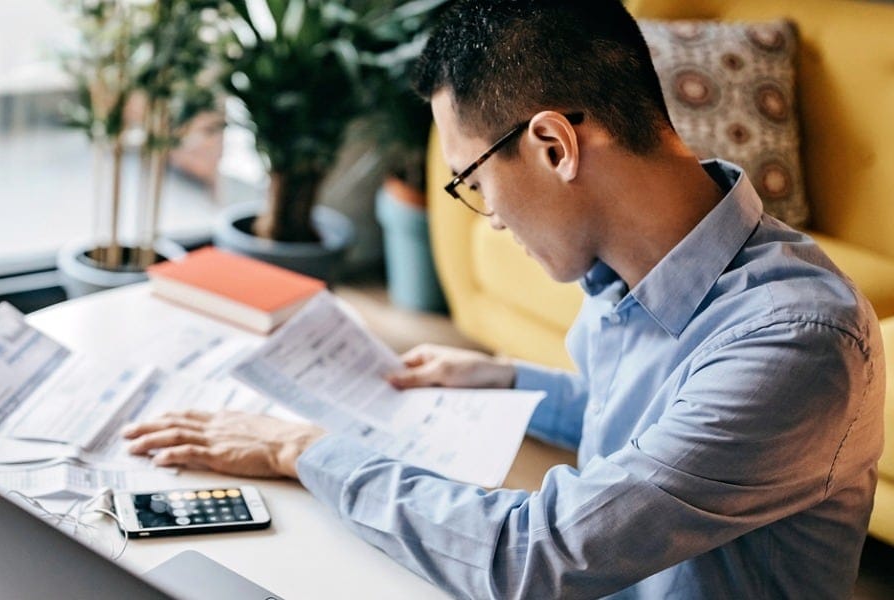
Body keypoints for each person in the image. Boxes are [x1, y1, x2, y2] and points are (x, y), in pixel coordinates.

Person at [122, 0, 885, 597]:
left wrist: (300, 449)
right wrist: (504, 378)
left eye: (472, 180)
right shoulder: (640, 263)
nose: (486, 213)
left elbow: (535, 557)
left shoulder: (795, 342)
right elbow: (645, 416)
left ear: (555, 145)